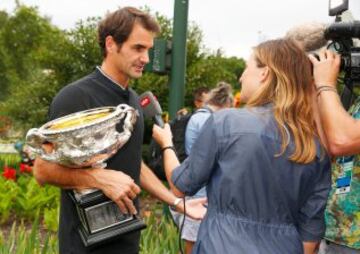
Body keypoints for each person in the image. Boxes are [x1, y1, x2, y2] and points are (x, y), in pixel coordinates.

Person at [33, 7, 206, 254]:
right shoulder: (76, 96)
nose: (146, 58)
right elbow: (42, 169)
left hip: (126, 240)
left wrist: (176, 202)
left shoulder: (133, 100)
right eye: (138, 48)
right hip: (84, 248)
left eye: (148, 49)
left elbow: (133, 162)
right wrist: (99, 178)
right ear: (111, 44)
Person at [153, 39, 332, 254]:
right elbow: (311, 230)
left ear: (264, 73)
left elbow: (180, 185)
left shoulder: (226, 122)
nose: (241, 77)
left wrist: (167, 144)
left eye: (246, 68)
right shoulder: (314, 145)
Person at [171, 82, 233, 254]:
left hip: (194, 192)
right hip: (199, 196)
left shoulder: (197, 117)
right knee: (194, 244)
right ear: (225, 104)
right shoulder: (209, 120)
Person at [309, 50, 360, 253]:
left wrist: (326, 85)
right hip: (340, 234)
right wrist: (316, 90)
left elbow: (342, 141)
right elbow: (330, 147)